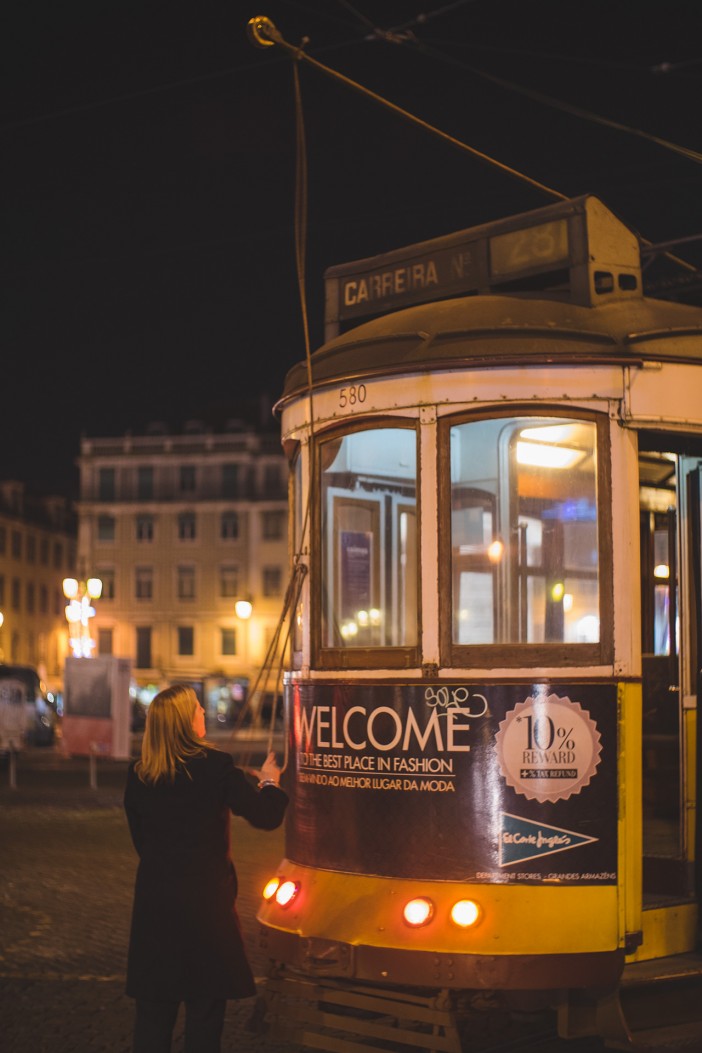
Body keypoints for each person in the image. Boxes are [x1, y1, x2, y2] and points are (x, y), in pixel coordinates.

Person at [123, 683, 288, 1053]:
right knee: (205, 1016)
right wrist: (269, 782)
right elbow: (265, 815)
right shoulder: (216, 767)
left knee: (152, 1019)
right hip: (206, 910)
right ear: (185, 721)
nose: (202, 713)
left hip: (155, 907)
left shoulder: (139, 774)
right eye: (197, 708)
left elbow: (142, 842)